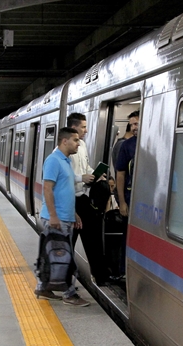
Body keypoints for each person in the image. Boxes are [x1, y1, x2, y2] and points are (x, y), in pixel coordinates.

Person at [35, 127, 90, 306]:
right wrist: (53, 216)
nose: (78, 143)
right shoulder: (53, 161)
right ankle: (69, 294)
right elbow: (47, 188)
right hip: (57, 219)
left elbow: (64, 190)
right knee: (66, 259)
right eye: (75, 140)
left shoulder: (66, 161)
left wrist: (74, 214)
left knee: (53, 256)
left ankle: (43, 288)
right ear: (64, 141)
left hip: (66, 217)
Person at [67, 113, 110, 285]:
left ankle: (101, 277)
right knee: (68, 243)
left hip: (84, 199)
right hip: (72, 201)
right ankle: (64, 281)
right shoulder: (63, 152)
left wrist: (96, 175)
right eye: (83, 127)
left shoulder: (82, 145)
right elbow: (63, 178)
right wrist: (81, 178)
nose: (86, 130)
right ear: (73, 127)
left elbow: (86, 166)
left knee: (93, 239)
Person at [115, 111, 140, 217]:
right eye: (131, 125)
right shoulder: (127, 145)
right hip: (131, 196)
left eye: (136, 124)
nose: (133, 128)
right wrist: (122, 202)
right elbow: (120, 174)